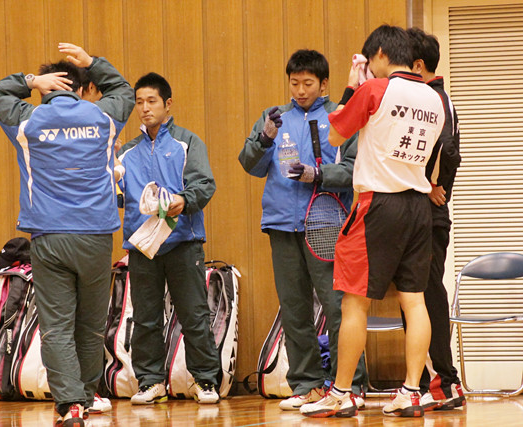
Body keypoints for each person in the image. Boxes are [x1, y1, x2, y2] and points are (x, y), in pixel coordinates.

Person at [0, 43, 134, 427]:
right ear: (82, 89)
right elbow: (124, 91)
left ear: (47, 89)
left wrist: (31, 81)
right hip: (96, 237)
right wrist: (92, 63)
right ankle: (86, 394)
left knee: (57, 326)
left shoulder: (28, 120)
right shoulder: (102, 118)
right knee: (91, 325)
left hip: (49, 238)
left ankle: (70, 405)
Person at [300, 25, 445, 418]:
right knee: (414, 301)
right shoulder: (435, 98)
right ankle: (412, 391)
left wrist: (352, 87)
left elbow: (334, 136)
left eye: (371, 60)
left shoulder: (375, 89)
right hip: (418, 206)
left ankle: (342, 392)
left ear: (380, 53)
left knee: (354, 302)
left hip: (377, 204)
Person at [238, 49, 367, 411]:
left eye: (308, 83)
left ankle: (350, 384)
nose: (300, 90)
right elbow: (249, 164)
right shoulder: (274, 118)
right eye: (294, 83)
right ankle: (307, 384)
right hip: (281, 224)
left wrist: (317, 174)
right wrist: (264, 139)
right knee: (294, 310)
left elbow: (355, 170)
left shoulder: (340, 117)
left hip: (327, 224)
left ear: (323, 84)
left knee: (337, 308)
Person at [118, 72, 221, 405]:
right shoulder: (126, 152)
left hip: (183, 243)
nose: (145, 108)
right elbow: (116, 196)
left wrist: (183, 200)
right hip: (142, 246)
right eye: (139, 102)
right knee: (145, 318)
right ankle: (150, 382)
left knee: (194, 315)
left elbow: (204, 185)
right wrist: (108, 169)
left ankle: (205, 380)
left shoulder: (187, 142)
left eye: (151, 101)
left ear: (167, 104)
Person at [407, 27, 466, 411]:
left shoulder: (434, 98)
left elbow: (448, 148)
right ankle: (432, 382)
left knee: (427, 296)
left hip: (429, 215)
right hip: (423, 215)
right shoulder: (433, 97)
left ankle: (445, 382)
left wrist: (433, 183)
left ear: (417, 65)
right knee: (419, 296)